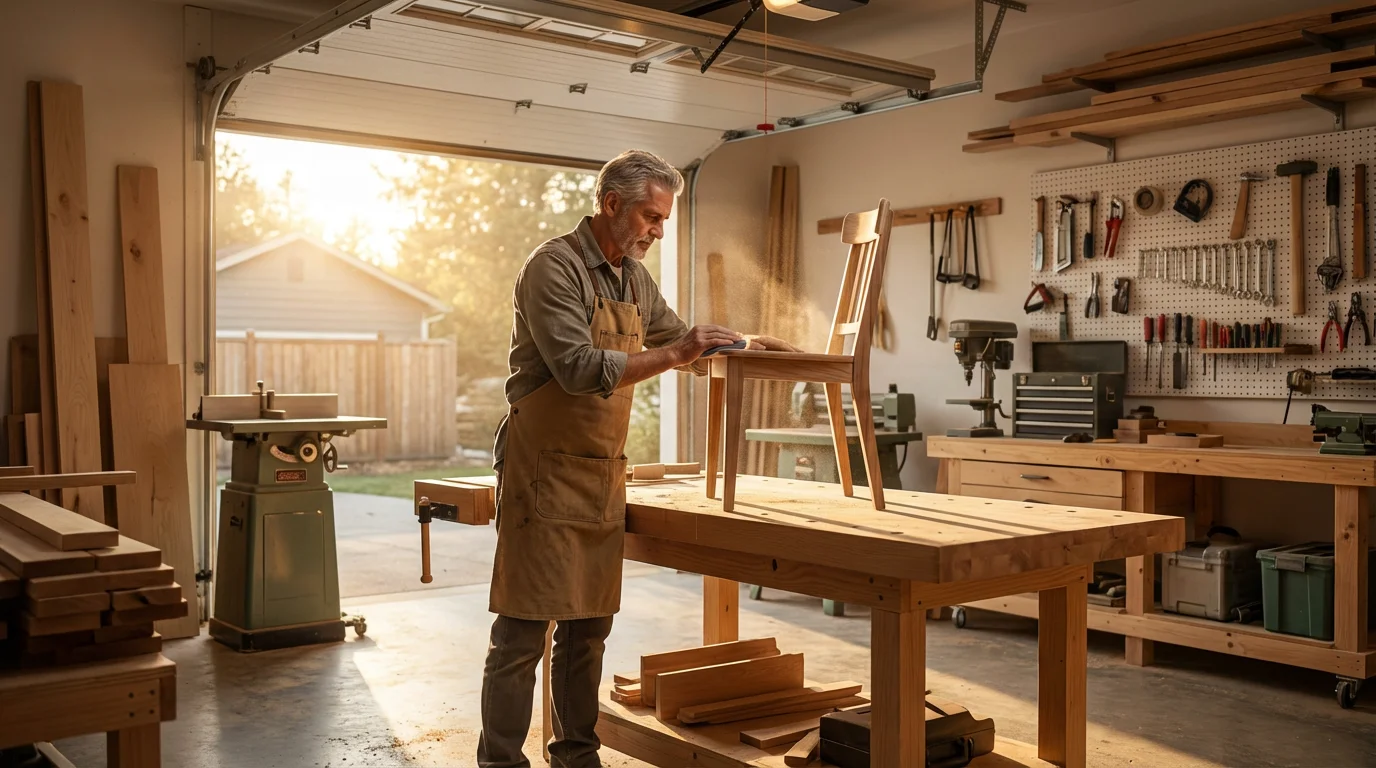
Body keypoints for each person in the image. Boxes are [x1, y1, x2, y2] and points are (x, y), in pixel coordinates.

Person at [477, 149, 796, 768]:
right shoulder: (554, 267)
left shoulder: (632, 278)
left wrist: (746, 345)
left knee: (587, 632)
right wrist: (681, 355)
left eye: (664, 220)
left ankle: (575, 756)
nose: (657, 230)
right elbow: (576, 370)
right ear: (611, 203)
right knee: (522, 634)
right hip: (542, 472)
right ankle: (499, 763)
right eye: (650, 217)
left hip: (598, 472)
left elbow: (681, 340)